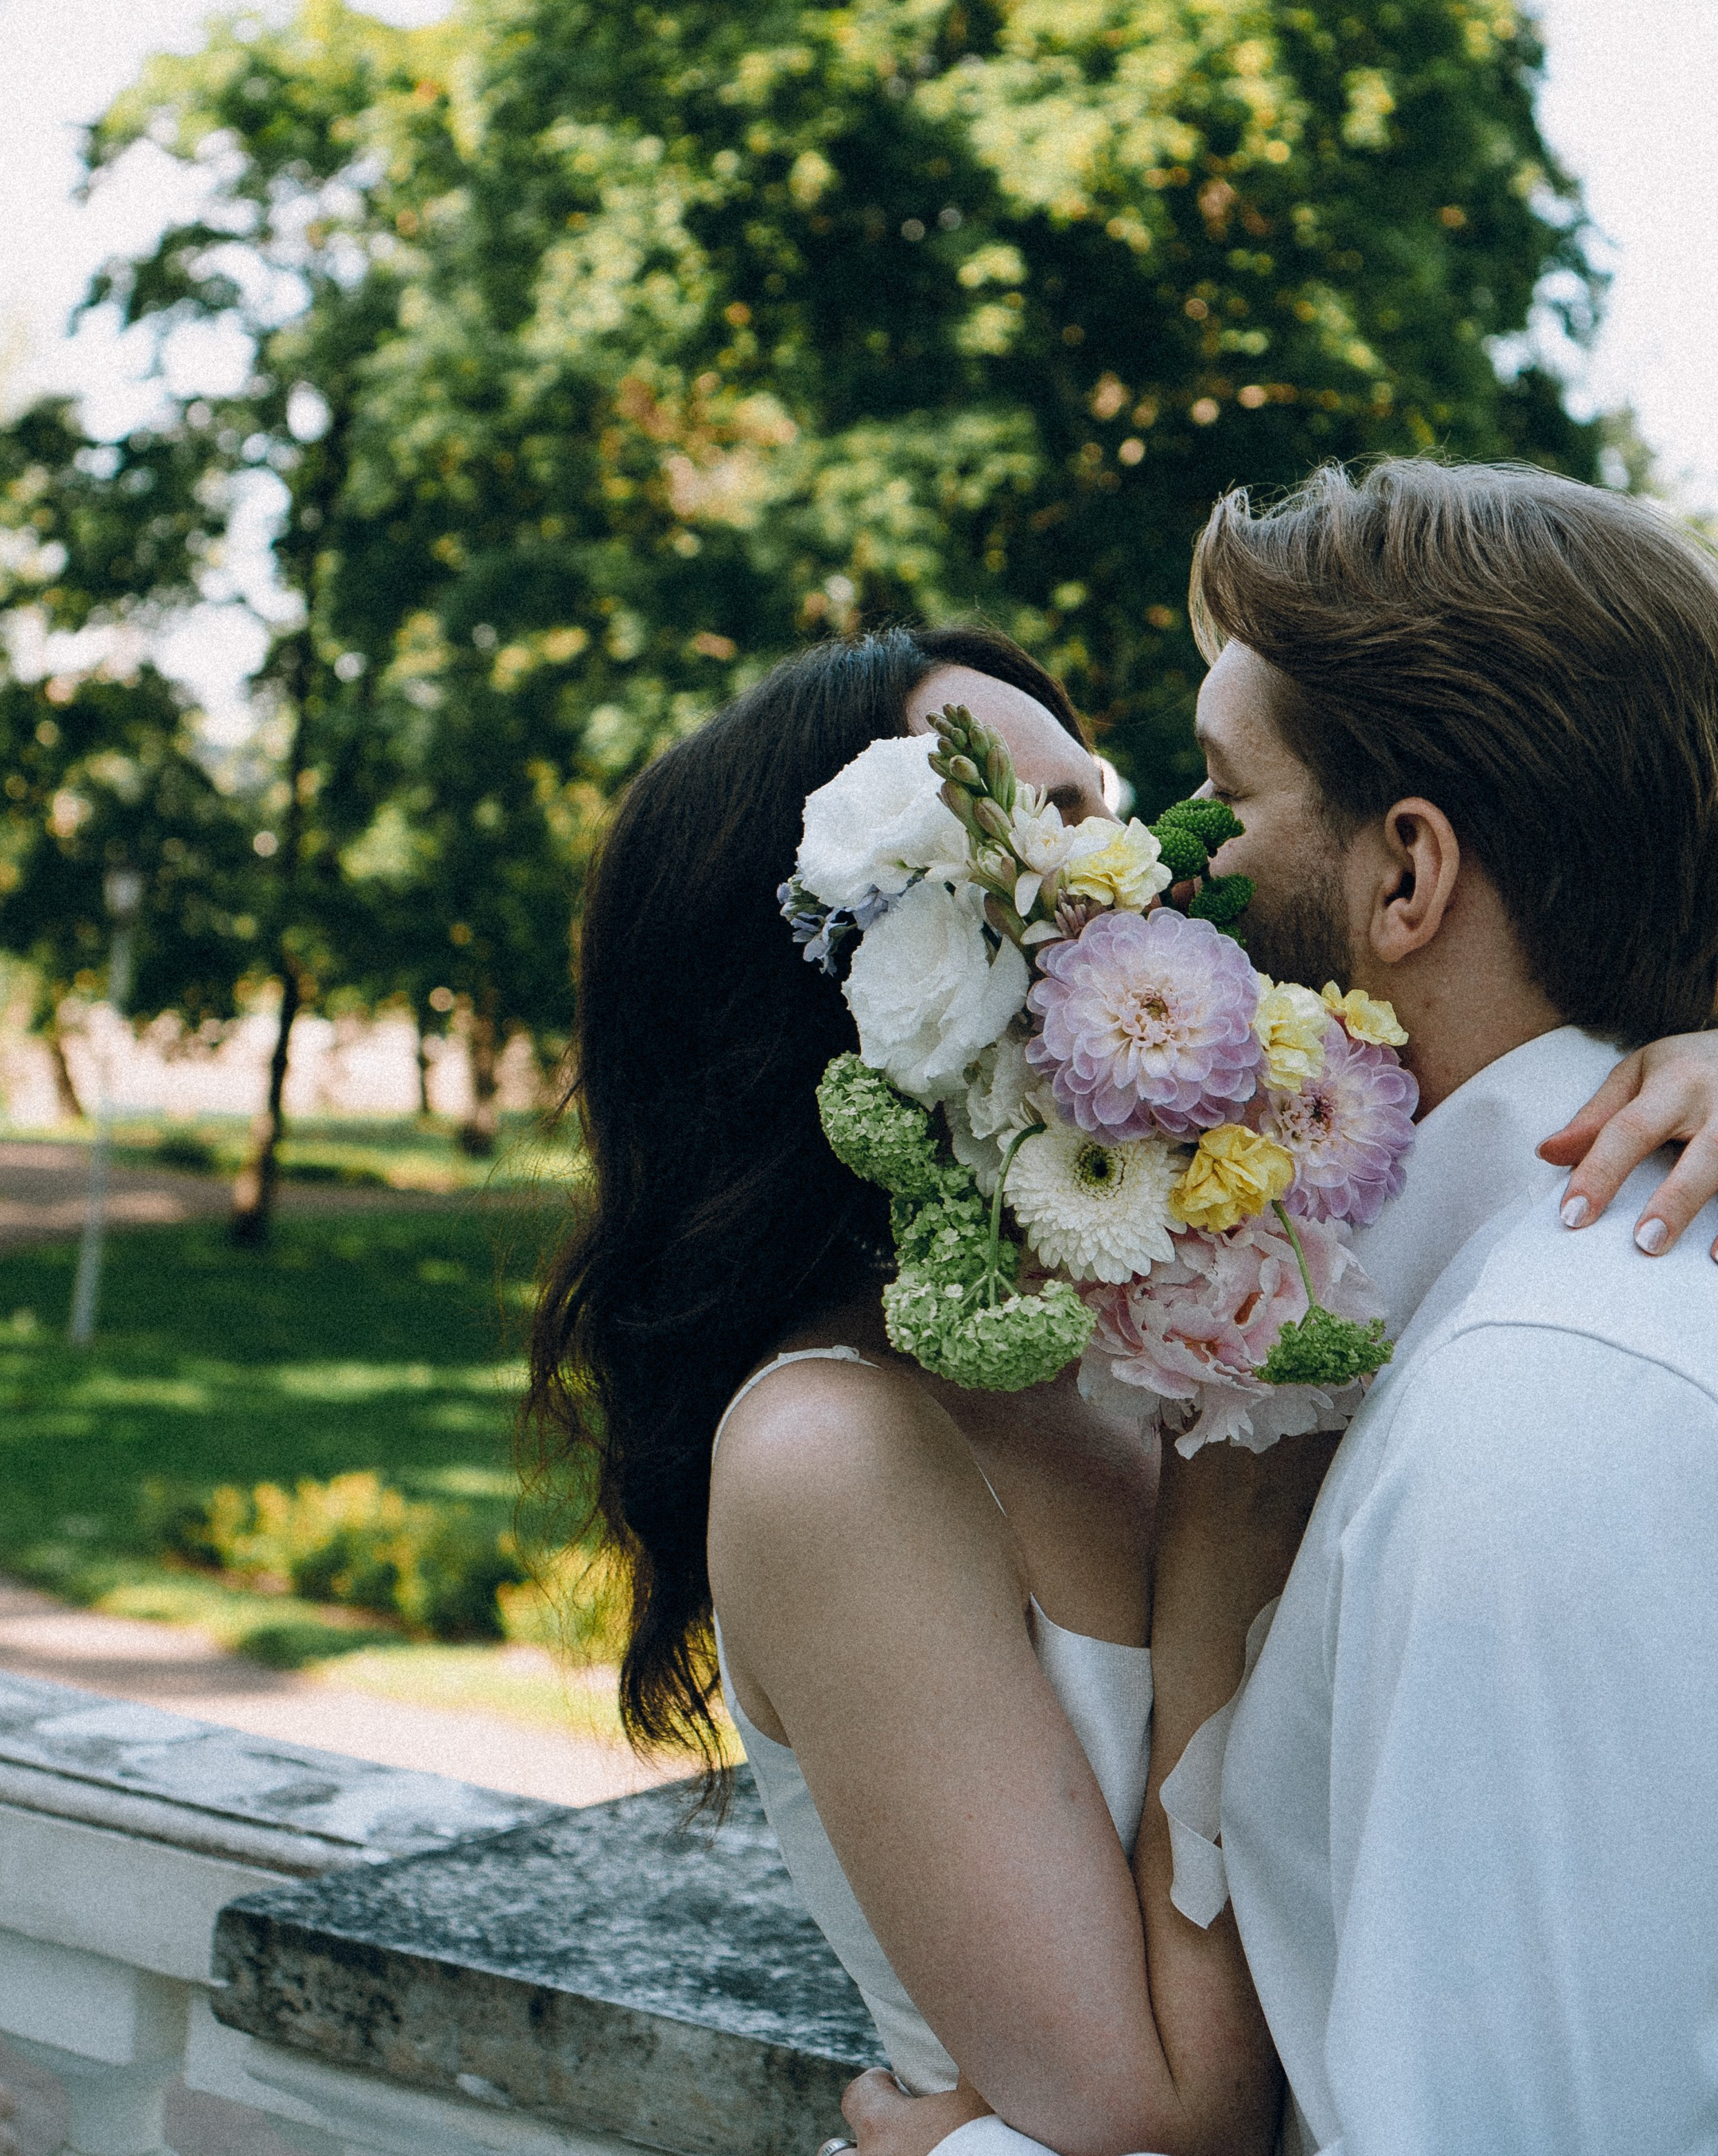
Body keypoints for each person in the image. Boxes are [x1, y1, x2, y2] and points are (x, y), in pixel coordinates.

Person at [524, 599, 1718, 2156]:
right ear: (864, 959)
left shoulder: (1172, 1295)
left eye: (1107, 801)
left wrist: (1687, 1047)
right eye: (1053, 827)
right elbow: (1164, 2119)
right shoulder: (833, 1449)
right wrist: (1222, 1527)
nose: (1146, 866)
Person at [843, 458, 1718, 2156]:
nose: (1163, 879)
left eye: (1222, 803)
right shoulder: (1471, 1322)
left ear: (1406, 879)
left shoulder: (1537, 1416)